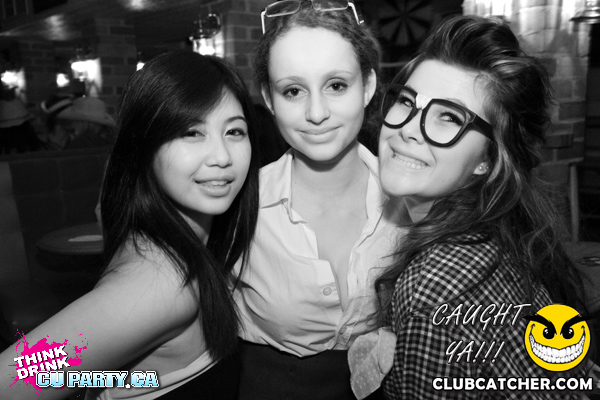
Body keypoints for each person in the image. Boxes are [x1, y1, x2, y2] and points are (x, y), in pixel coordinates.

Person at [355, 15, 591, 399]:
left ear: (486, 159)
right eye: (406, 101)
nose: (408, 129)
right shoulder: (498, 234)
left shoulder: (434, 288)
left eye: (449, 117)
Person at [0, 50, 259, 399]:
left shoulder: (172, 240)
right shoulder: (159, 285)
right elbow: (17, 380)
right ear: (144, 146)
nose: (222, 156)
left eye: (234, 131)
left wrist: (123, 381)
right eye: (191, 132)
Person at [233, 1, 405, 398]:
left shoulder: (414, 200)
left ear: (368, 86)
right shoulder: (239, 206)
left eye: (337, 85)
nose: (316, 113)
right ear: (269, 99)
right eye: (293, 91)